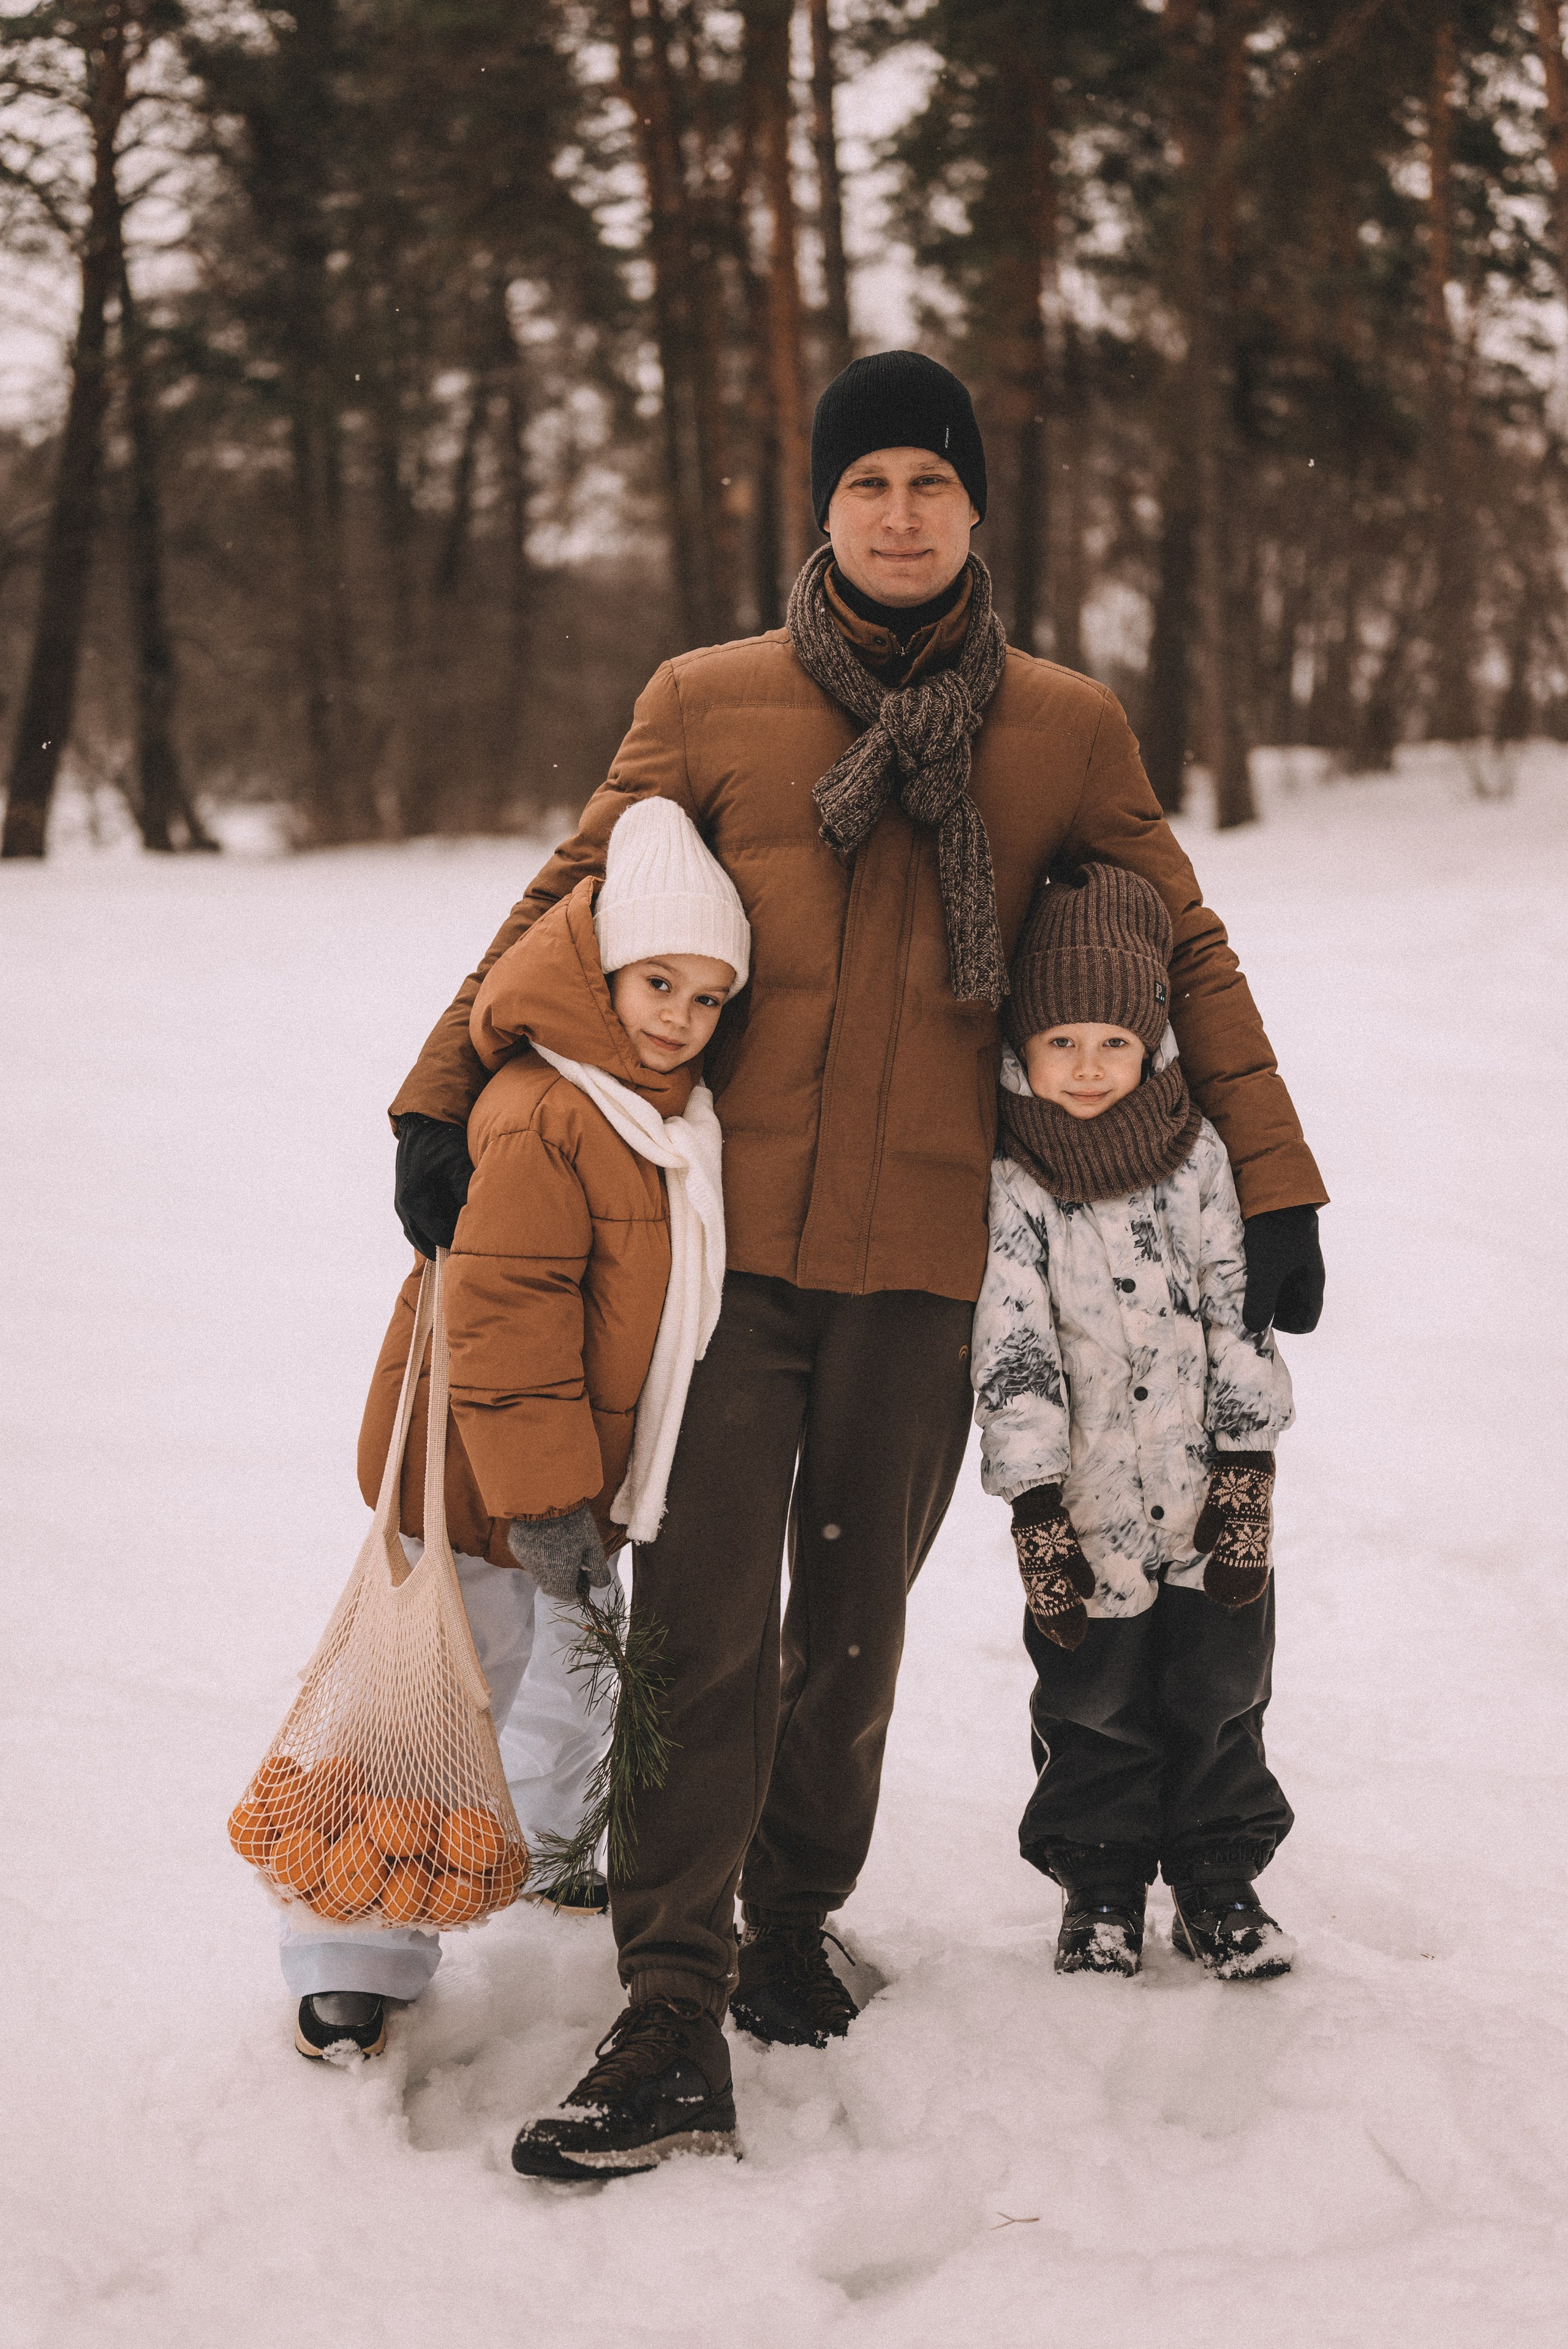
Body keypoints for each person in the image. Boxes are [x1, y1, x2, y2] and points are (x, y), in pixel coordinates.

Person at [387, 350, 1327, 2177]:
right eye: (867, 481)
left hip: (931, 1261)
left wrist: (1273, 1178)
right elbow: (573, 896)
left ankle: (796, 1910)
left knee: (856, 1623)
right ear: (819, 508)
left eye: (932, 481)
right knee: (707, 1621)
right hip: (722, 1258)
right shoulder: (711, 702)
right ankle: (670, 1993)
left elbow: (1184, 949)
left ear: (979, 509)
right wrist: (444, 1088)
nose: (900, 512)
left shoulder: (1060, 727)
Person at [289, 799, 748, 2066]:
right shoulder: (545, 1109)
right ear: (599, 967)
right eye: (659, 981)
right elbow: (501, 1324)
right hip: (480, 1472)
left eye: (710, 997)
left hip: (561, 1478)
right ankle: (353, 1947)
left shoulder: (651, 1105)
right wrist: (547, 1503)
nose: (680, 1016)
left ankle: (533, 1851)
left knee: (564, 1683)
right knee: (439, 1698)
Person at [971, 863, 1297, 1981]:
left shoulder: (1197, 1157)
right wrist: (1036, 1510)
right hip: (1090, 1502)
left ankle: (1219, 1878)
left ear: (1151, 1042)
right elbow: (1011, 1350)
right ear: (1025, 1048)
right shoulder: (1014, 1183)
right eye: (1063, 1043)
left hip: (1209, 1493)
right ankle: (1100, 1879)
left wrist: (1248, 1470)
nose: (1091, 1068)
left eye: (1114, 1042)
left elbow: (1235, 1314)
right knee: (1093, 1697)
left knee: (1219, 1690)